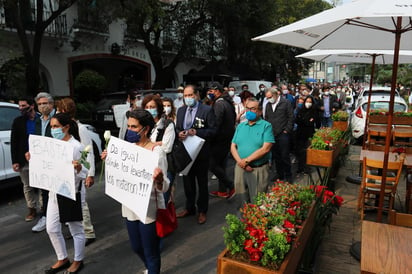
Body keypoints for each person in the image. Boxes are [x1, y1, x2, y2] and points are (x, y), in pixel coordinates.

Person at [101, 109, 169, 274]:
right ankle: (149, 267)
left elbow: (165, 185)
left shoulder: (156, 151)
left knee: (151, 251)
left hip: (148, 209)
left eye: (134, 127)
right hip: (129, 206)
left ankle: (153, 270)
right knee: (136, 246)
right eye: (129, 126)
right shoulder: (126, 149)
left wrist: (159, 179)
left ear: (145, 129)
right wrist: (109, 160)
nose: (129, 130)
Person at [26, 113, 87, 274]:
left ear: (66, 127)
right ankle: (62, 258)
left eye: (56, 126)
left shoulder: (76, 147)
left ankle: (78, 260)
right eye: (51, 127)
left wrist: (79, 168)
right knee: (52, 228)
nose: (53, 130)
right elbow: (45, 165)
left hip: (71, 193)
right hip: (54, 192)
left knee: (76, 229)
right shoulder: (51, 145)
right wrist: (33, 158)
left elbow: (85, 172)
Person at [56, 98, 97, 246]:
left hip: (79, 171)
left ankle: (88, 231)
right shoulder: (61, 130)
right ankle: (76, 230)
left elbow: (88, 152)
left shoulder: (80, 129)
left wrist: (89, 173)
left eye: (60, 111)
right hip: (66, 172)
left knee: (81, 203)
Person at [175, 85, 217, 224]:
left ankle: (202, 210)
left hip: (201, 153)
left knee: (202, 183)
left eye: (190, 95)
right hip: (185, 152)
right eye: (185, 95)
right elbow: (177, 128)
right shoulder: (180, 111)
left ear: (196, 95)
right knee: (188, 183)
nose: (188, 98)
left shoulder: (206, 110)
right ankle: (189, 207)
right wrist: (178, 133)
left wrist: (197, 132)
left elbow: (213, 131)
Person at [231, 98, 274, 204]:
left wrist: (246, 161)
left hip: (258, 169)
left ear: (259, 111)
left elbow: (265, 149)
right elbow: (233, 146)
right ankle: (242, 220)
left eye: (253, 109)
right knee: (241, 201)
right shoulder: (240, 126)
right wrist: (242, 163)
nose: (249, 111)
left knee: (258, 202)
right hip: (240, 169)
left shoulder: (266, 126)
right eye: (248, 108)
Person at [10, 97, 41, 222]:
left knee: (42, 185)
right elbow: (14, 142)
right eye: (20, 106)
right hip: (24, 160)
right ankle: (32, 209)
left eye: (23, 105)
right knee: (27, 185)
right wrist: (15, 161)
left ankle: (44, 208)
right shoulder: (18, 121)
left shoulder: (41, 119)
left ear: (32, 106)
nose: (21, 108)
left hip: (40, 158)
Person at [142, 94, 176, 203]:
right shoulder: (143, 125)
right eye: (147, 107)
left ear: (159, 108)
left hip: (165, 166)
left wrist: (149, 144)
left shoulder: (167, 124)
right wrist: (158, 143)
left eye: (152, 107)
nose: (149, 110)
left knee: (163, 198)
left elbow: (166, 147)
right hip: (147, 165)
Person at [206, 82, 236, 199]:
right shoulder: (227, 102)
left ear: (217, 91)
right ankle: (222, 191)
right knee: (221, 165)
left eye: (211, 91)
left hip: (219, 140)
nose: (209, 93)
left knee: (212, 165)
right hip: (226, 139)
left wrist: (210, 135)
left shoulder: (219, 104)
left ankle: (230, 185)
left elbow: (215, 123)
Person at [32, 92, 56, 233]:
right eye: (40, 104)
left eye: (45, 103)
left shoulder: (58, 118)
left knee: (60, 190)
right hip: (42, 163)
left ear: (51, 104)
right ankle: (46, 217)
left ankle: (64, 218)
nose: (42, 106)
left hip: (56, 161)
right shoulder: (37, 120)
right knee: (45, 191)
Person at [264, 87, 294, 182]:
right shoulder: (268, 105)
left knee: (285, 155)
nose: (269, 99)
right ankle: (280, 174)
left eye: (270, 97)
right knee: (276, 156)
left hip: (283, 133)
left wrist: (287, 130)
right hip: (272, 134)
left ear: (276, 94)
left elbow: (291, 117)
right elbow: (267, 118)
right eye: (267, 97)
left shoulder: (285, 103)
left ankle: (288, 175)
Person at [295, 96, 317, 174]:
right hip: (300, 133)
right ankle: (300, 167)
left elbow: (312, 122)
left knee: (308, 150)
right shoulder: (301, 110)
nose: (308, 103)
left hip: (309, 133)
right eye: (307, 101)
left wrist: (304, 120)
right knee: (300, 151)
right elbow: (297, 120)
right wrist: (305, 120)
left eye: (310, 102)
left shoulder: (314, 111)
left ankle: (307, 168)